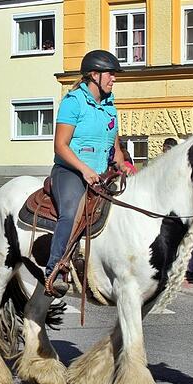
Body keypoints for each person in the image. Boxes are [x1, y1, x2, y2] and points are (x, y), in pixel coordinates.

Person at [44, 49, 130, 297]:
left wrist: (122, 164)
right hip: (70, 171)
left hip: (101, 173)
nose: (114, 79)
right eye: (110, 74)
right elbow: (61, 145)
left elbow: (114, 146)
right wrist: (84, 169)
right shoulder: (73, 102)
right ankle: (56, 268)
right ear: (94, 75)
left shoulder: (110, 106)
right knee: (71, 212)